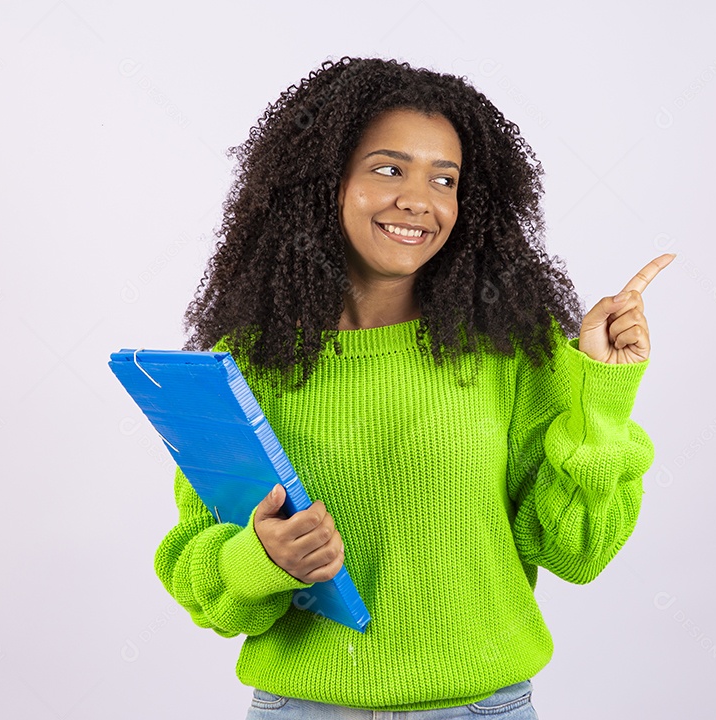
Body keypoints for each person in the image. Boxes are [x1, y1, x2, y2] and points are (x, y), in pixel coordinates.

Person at [154, 56, 673, 718]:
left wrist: (600, 394)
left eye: (445, 179)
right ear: (324, 181)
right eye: (388, 168)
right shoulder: (246, 365)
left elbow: (578, 550)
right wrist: (263, 559)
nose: (418, 201)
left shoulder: (510, 348)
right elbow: (198, 577)